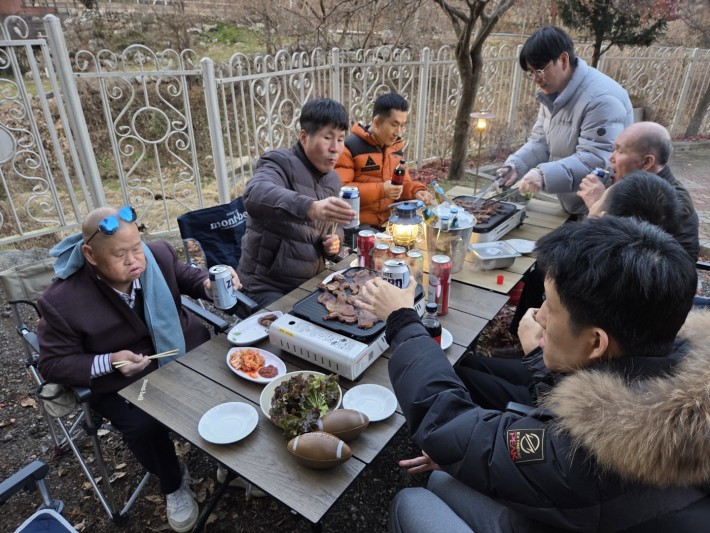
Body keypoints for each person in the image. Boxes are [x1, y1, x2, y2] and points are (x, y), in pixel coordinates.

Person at [356, 216, 710, 532]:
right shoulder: (672, 375)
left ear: (595, 342)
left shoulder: (579, 457)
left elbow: (446, 422)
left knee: (411, 501)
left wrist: (403, 321)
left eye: (550, 307)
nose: (538, 314)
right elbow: (585, 404)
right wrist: (542, 360)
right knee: (443, 480)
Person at [36, 205, 245, 533]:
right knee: (145, 426)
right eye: (120, 254)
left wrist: (209, 284)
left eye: (136, 247)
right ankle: (173, 482)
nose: (134, 260)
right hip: (122, 377)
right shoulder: (62, 300)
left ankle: (227, 462)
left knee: (220, 385)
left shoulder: (157, 254)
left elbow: (187, 277)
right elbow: (52, 363)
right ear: (90, 255)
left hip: (180, 348)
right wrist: (109, 361)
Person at [497, 26, 633, 216]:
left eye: (539, 70)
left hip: (600, 208)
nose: (535, 79)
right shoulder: (553, 93)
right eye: (530, 73)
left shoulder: (601, 99)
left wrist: (542, 174)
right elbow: (540, 141)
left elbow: (595, 160)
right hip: (573, 203)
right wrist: (515, 165)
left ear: (563, 60)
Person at [237, 98, 356, 308]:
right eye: (327, 138)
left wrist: (334, 242)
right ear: (304, 137)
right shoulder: (278, 162)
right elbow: (255, 193)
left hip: (310, 283)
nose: (335, 148)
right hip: (266, 286)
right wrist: (311, 207)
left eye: (340, 139)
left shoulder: (332, 179)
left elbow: (334, 226)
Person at [578, 121, 699, 259]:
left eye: (620, 151)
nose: (611, 157)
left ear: (646, 162)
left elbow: (613, 254)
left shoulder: (661, 202)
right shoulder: (636, 186)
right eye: (613, 149)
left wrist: (598, 208)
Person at [335, 92, 433, 230]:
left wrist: (415, 192)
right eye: (394, 124)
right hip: (358, 226)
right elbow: (341, 191)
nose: (398, 132)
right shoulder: (350, 147)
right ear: (377, 122)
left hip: (390, 222)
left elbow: (402, 184)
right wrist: (381, 190)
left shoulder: (395, 150)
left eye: (402, 125)